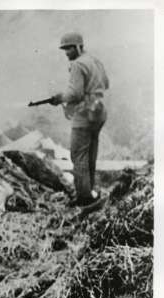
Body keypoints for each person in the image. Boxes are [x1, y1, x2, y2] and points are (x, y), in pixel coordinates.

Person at [48, 32, 109, 206]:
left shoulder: (77, 64)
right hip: (99, 112)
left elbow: (75, 93)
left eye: (69, 48)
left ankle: (84, 198)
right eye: (65, 49)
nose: (66, 53)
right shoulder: (95, 61)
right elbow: (106, 83)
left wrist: (59, 98)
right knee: (90, 153)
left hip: (84, 114)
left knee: (78, 155)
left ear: (78, 47)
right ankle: (90, 192)